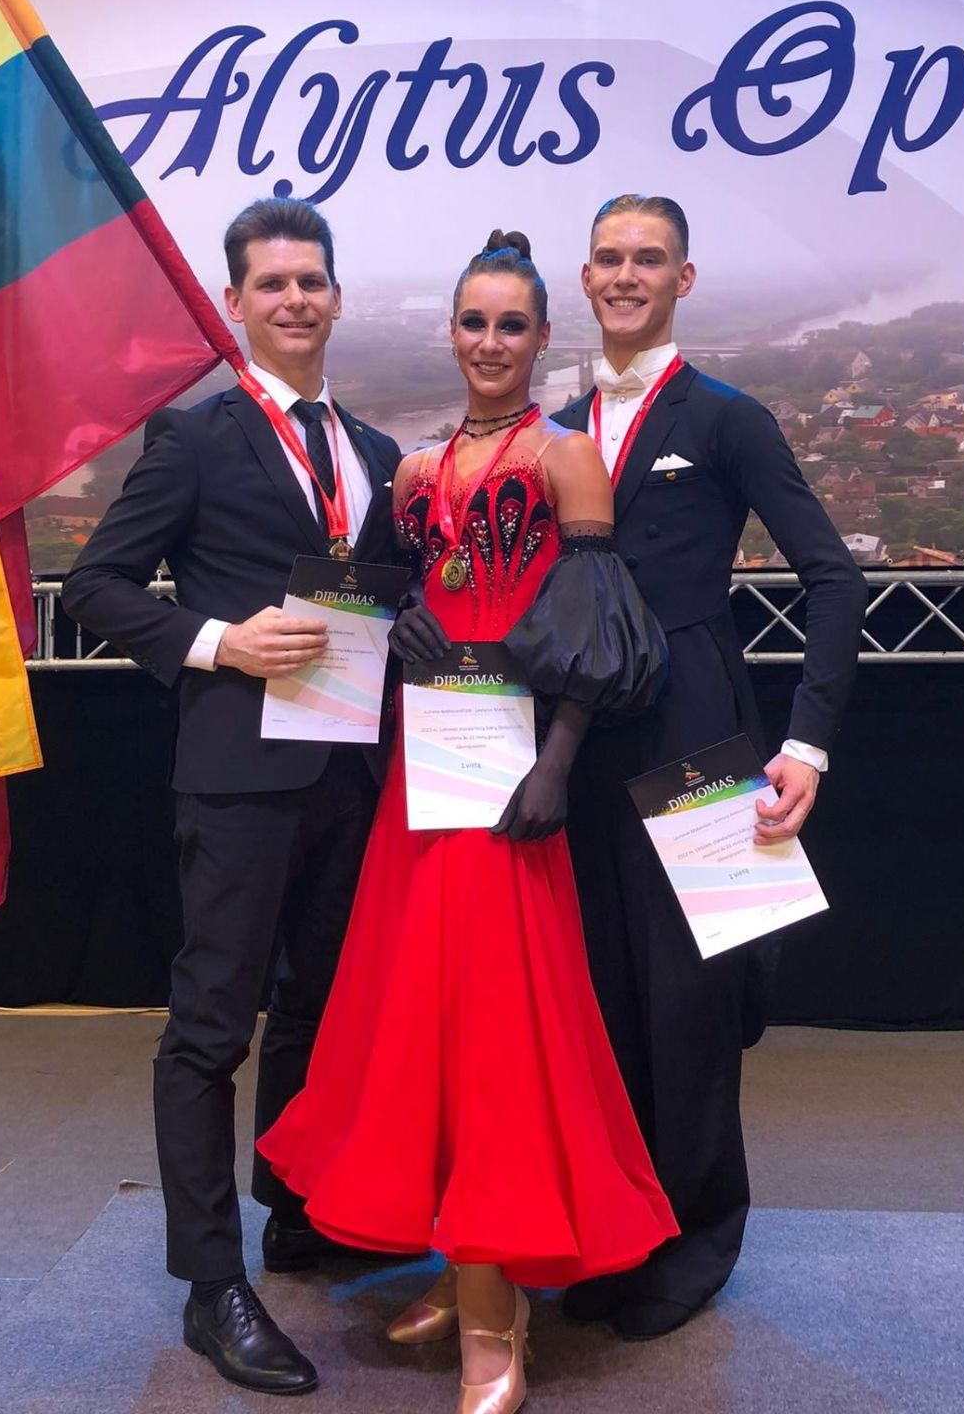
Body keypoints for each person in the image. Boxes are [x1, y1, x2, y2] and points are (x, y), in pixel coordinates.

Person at [257, 231, 679, 1414]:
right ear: (450, 331)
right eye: (473, 321)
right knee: (425, 1021)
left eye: (511, 324)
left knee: (496, 1029)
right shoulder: (412, 472)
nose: (489, 342)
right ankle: (459, 1261)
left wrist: (556, 765)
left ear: (542, 338)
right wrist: (396, 632)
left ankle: (497, 1317)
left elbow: (597, 636)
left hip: (510, 785)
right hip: (423, 773)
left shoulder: (564, 459)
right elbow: (401, 599)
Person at [62, 198, 403, 1397]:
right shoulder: (195, 439)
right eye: (272, 284)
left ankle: (294, 1213)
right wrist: (218, 641)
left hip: (351, 774)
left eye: (311, 281)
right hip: (239, 778)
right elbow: (95, 586)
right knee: (211, 1028)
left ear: (336, 297)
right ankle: (211, 1283)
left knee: (319, 1009)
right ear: (235, 303)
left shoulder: (377, 453)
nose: (294, 299)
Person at [552, 193, 867, 1341]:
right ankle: (615, 1227)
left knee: (691, 1001)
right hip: (574, 747)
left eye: (648, 259)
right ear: (584, 276)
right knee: (599, 999)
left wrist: (805, 742)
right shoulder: (556, 425)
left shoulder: (728, 418)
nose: (624, 275)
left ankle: (694, 1243)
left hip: (697, 737)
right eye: (607, 257)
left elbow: (833, 577)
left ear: (682, 279)